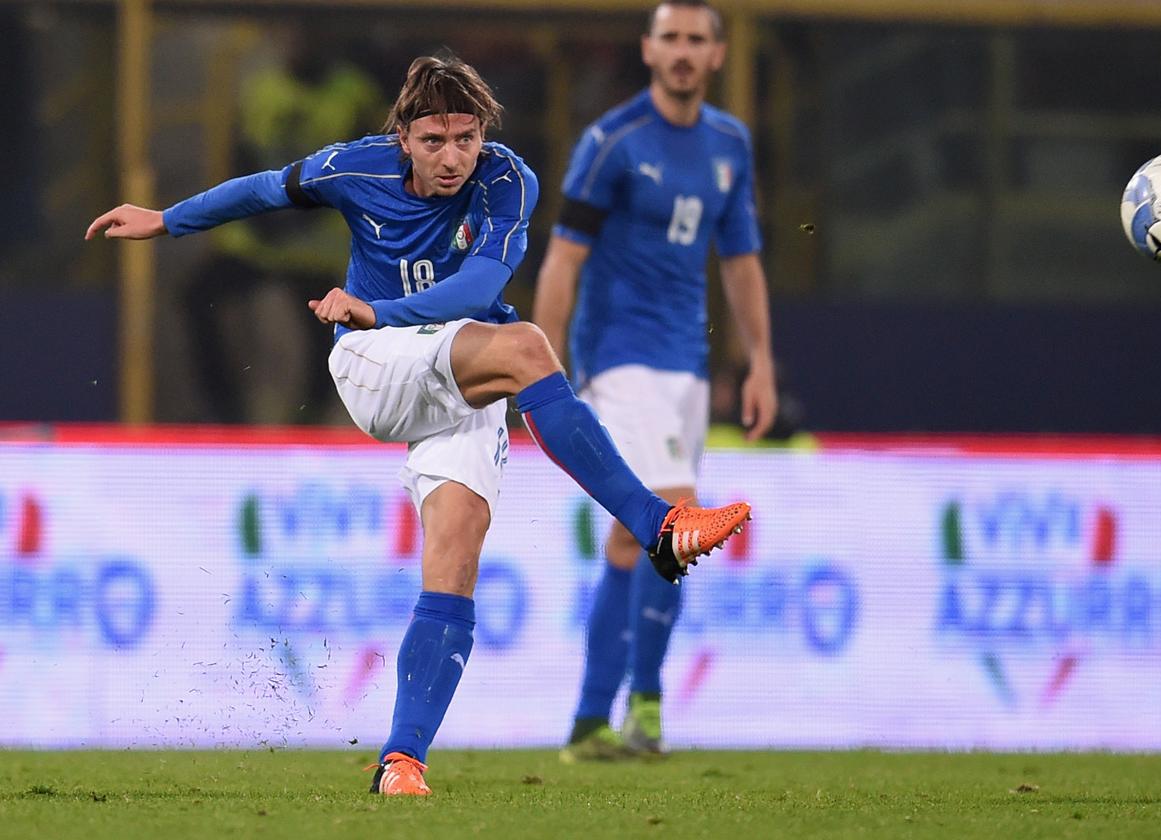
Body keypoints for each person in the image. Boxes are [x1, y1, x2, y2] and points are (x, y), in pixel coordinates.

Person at [86, 53, 750, 796]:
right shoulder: (355, 167)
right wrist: (168, 220)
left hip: (451, 366)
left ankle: (400, 762)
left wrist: (380, 305)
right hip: (374, 364)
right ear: (402, 135)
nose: (452, 157)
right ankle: (658, 526)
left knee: (456, 559)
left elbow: (479, 285)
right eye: (434, 140)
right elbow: (267, 190)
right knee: (528, 345)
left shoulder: (508, 181)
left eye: (466, 138)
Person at [533, 0, 777, 762]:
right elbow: (563, 261)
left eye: (694, 39)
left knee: (630, 539)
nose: (680, 50)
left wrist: (760, 360)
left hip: (687, 366)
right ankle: (645, 705)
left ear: (716, 54)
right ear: (647, 49)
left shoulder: (730, 144)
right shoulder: (611, 142)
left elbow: (739, 260)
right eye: (668, 37)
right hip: (616, 356)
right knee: (677, 515)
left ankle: (586, 722)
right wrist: (544, 368)